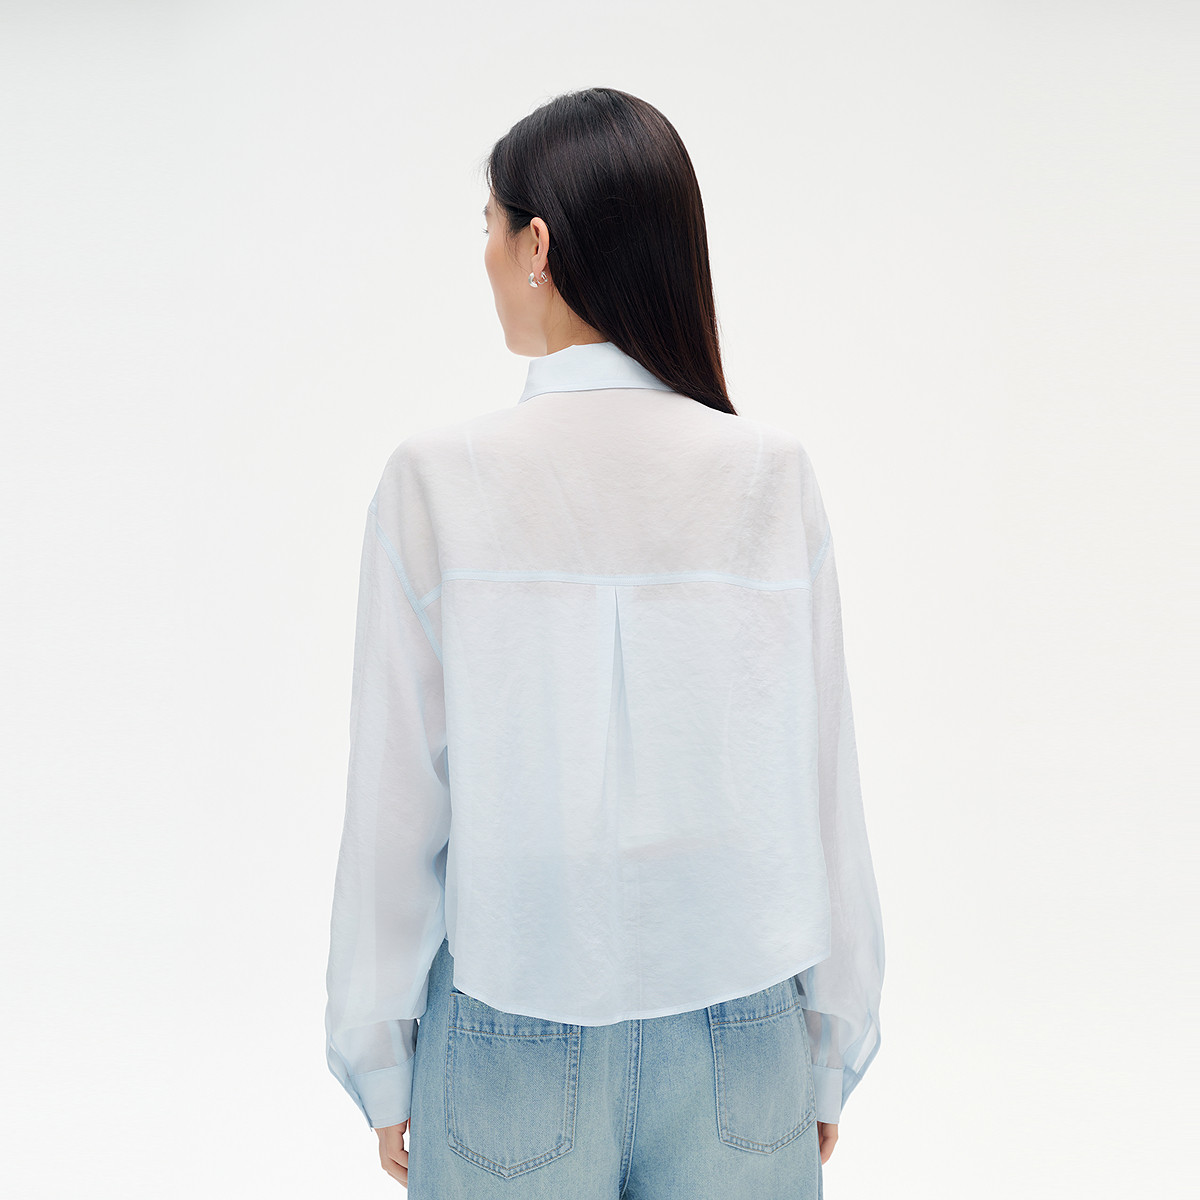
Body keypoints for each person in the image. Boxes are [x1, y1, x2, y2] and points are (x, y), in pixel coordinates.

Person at [324, 86, 885, 1198]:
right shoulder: (769, 476)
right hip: (745, 1033)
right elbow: (824, 783)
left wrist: (379, 1053)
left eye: (490, 227)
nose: (485, 256)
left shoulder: (437, 480)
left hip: (507, 1023)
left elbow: (398, 803)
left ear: (537, 245)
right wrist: (832, 1044)